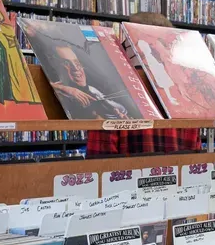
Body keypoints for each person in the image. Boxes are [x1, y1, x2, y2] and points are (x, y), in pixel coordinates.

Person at [85, 12, 202, 158]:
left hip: (125, 179)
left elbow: (98, 164)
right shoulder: (188, 102)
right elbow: (195, 158)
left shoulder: (112, 92)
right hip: (180, 178)